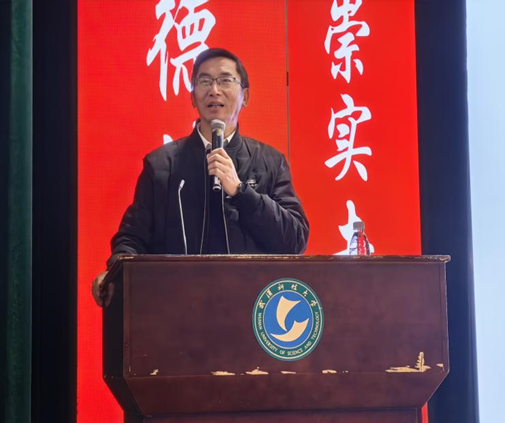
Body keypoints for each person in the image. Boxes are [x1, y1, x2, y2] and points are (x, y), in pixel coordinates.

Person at [91, 48, 309, 306]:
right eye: (204, 81)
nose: (214, 90)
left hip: (251, 307)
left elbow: (295, 240)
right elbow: (132, 239)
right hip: (180, 307)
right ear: (192, 97)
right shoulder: (161, 165)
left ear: (245, 96)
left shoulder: (270, 161)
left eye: (225, 80)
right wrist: (114, 274)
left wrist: (241, 192)